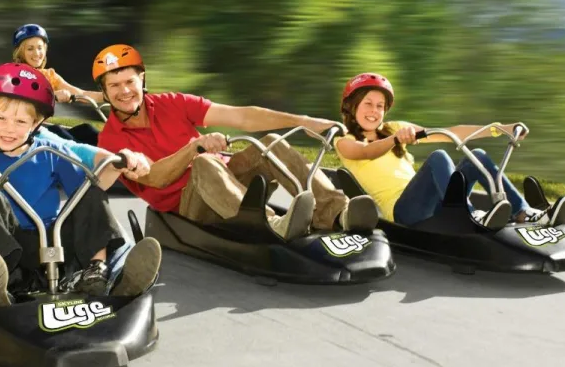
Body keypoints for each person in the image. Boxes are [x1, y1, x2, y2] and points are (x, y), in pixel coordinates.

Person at [93, 44, 380, 240]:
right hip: (188, 205)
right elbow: (153, 178)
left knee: (270, 143)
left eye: (129, 82)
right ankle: (274, 224)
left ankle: (337, 212)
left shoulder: (172, 103)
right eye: (114, 86)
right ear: (105, 93)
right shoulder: (111, 140)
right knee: (203, 162)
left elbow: (243, 117)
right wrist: (195, 147)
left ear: (142, 79)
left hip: (228, 177)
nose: (125, 91)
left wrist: (304, 121)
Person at [0, 62, 162, 307]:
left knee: (90, 191)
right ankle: (3, 283)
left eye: (20, 122)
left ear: (36, 124)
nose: (9, 129)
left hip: (55, 244)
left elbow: (93, 188)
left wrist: (119, 163)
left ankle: (99, 273)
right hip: (12, 250)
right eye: (1, 118)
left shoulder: (51, 151)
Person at [332, 72, 565, 229]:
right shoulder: (344, 140)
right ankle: (470, 216)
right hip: (403, 212)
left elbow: (451, 131)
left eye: (380, 106)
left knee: (476, 155)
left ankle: (524, 212)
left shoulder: (395, 128)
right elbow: (365, 152)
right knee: (438, 158)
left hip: (436, 203)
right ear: (352, 106)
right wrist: (395, 140)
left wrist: (500, 128)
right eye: (368, 104)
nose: (374, 111)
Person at [12, 23, 103, 144]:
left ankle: (115, 157)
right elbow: (22, 99)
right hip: (27, 132)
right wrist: (52, 96)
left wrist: (111, 96)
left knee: (88, 130)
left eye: (40, 48)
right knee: (61, 133)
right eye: (30, 49)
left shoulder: (49, 75)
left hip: (43, 128)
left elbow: (81, 93)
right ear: (20, 52)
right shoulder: (15, 74)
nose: (36, 53)